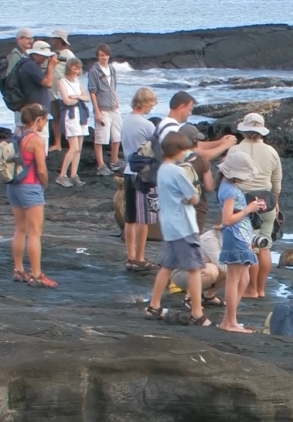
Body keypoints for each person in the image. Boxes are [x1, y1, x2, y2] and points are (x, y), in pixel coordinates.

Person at [144, 132, 210, 326]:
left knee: (166, 267)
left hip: (170, 225)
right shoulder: (177, 171)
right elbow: (194, 197)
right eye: (185, 150)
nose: (186, 154)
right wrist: (190, 198)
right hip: (184, 226)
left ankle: (154, 305)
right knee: (195, 269)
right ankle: (197, 313)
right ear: (178, 151)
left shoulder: (162, 170)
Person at [227, 113, 283, 299]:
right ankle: (260, 289)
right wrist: (276, 205)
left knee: (251, 246)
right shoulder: (271, 151)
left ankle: (251, 289)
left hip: (245, 203)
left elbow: (228, 177)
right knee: (264, 245)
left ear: (244, 129)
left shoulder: (235, 151)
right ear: (261, 131)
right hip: (267, 202)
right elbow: (276, 182)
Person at [215, 151, 265, 333]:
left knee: (244, 278)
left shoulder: (227, 185)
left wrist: (248, 207)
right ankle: (229, 322)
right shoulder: (229, 189)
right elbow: (227, 219)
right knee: (234, 279)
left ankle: (229, 319)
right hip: (235, 236)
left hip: (240, 236)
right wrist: (249, 209)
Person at [8, 103, 57, 288]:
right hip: (30, 186)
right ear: (39, 119)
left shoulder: (17, 134)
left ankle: (19, 270)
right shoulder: (36, 140)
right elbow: (42, 169)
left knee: (20, 229)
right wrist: (44, 183)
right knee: (35, 232)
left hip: (14, 186)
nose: (45, 123)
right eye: (45, 120)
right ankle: (36, 275)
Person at [120, 87, 160, 271]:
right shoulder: (147, 125)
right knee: (143, 219)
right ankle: (140, 257)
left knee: (130, 218)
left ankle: (130, 256)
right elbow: (157, 148)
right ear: (145, 103)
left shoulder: (125, 120)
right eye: (151, 103)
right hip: (144, 174)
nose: (152, 107)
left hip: (128, 171)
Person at [87, 44, 122, 176]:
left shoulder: (112, 69)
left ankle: (114, 161)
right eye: (102, 55)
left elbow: (113, 88)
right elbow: (92, 91)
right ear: (98, 56)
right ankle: (101, 165)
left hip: (114, 107)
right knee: (101, 137)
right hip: (102, 108)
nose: (105, 57)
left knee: (116, 135)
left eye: (106, 55)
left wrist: (117, 102)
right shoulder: (94, 71)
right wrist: (96, 110)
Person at [55, 58, 89, 187]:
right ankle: (62, 175)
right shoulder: (62, 82)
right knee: (73, 147)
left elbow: (86, 97)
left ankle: (73, 175)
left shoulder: (77, 81)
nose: (77, 71)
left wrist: (77, 97)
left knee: (78, 149)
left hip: (81, 115)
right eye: (75, 68)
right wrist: (79, 98)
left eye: (78, 68)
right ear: (69, 68)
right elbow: (66, 101)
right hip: (70, 116)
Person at [18, 41, 58, 150]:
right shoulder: (31, 65)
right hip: (37, 111)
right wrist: (51, 66)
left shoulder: (29, 65)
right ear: (36, 54)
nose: (46, 59)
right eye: (45, 56)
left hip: (35, 109)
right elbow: (48, 83)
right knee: (41, 141)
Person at [174, 226, 227, 308]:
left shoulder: (232, 239)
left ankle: (208, 296)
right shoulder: (210, 239)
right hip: (181, 273)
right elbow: (222, 265)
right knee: (212, 270)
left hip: (200, 271)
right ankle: (189, 298)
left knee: (235, 270)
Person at [176, 124, 213, 232]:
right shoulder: (201, 160)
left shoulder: (170, 158)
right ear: (195, 141)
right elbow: (209, 187)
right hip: (197, 207)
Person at [48, 30, 76, 152]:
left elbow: (75, 73)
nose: (52, 41)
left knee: (67, 118)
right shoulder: (53, 54)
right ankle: (57, 143)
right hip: (52, 92)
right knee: (56, 117)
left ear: (61, 40)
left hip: (64, 93)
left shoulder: (69, 55)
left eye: (54, 38)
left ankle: (71, 144)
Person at [6, 28, 34, 136]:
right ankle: (16, 148)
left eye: (31, 38)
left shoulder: (24, 54)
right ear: (19, 39)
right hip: (18, 95)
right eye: (27, 38)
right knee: (20, 123)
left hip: (24, 94)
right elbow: (10, 76)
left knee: (24, 123)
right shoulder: (16, 54)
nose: (30, 41)